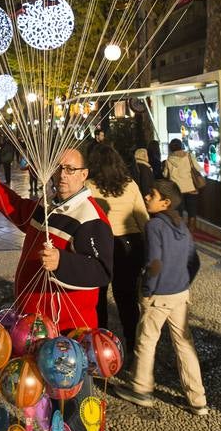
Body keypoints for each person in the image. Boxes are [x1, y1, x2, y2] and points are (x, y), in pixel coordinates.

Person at [0, 147, 113, 431]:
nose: (63, 176)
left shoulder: (91, 217)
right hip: (37, 323)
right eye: (59, 170)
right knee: (51, 398)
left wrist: (62, 264)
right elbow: (20, 213)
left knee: (75, 398)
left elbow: (102, 271)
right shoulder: (48, 205)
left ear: (85, 174)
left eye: (71, 170)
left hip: (69, 327)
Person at [113, 180, 207, 416]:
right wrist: (182, 282)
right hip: (180, 294)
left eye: (151, 195)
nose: (146, 197)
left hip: (159, 295)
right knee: (184, 344)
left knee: (146, 341)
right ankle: (198, 399)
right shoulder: (181, 225)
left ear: (165, 202)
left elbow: (154, 262)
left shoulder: (155, 226)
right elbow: (194, 261)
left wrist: (147, 289)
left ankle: (141, 389)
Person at [86, 143, 148, 362]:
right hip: (129, 246)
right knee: (127, 299)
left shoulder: (88, 186)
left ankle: (99, 346)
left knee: (98, 298)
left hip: (99, 246)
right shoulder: (130, 185)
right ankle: (133, 344)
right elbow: (143, 218)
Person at [163, 138, 205, 233]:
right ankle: (191, 229)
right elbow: (198, 168)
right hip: (190, 187)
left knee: (179, 210)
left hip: (177, 189)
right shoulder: (189, 156)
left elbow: (165, 174)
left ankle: (180, 229)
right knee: (192, 209)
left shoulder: (169, 160)